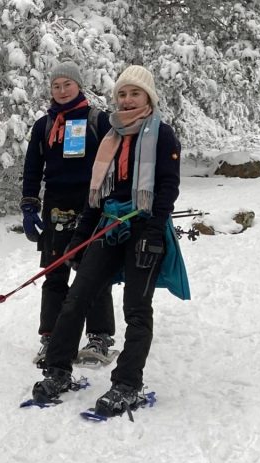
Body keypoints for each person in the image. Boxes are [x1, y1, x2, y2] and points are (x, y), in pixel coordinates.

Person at [30, 65, 182, 416]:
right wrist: (81, 237)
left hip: (144, 228)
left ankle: (127, 384)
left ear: (148, 97)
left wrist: (155, 232)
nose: (127, 100)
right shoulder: (111, 135)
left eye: (135, 94)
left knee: (137, 310)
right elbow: (96, 193)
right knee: (76, 297)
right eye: (122, 94)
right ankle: (57, 370)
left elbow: (167, 188)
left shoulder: (163, 135)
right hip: (108, 225)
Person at [21, 61, 116, 367]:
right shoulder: (44, 125)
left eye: (67, 85)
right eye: (56, 86)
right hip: (55, 204)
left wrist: (113, 201)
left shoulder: (97, 120)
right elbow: (33, 168)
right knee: (54, 270)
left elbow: (114, 161)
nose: (61, 91)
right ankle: (52, 337)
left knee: (92, 271)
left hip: (92, 201)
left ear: (79, 86)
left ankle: (99, 337)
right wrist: (29, 205)